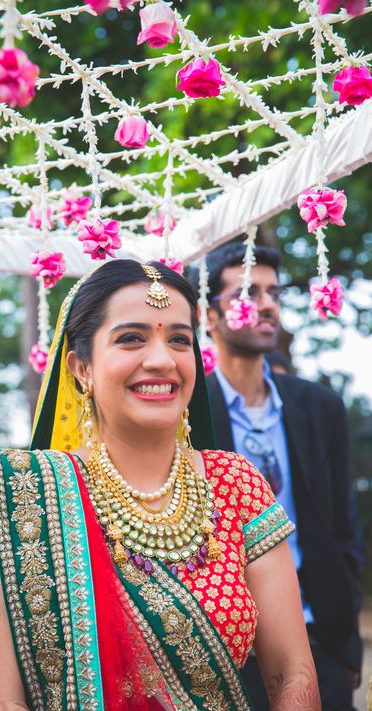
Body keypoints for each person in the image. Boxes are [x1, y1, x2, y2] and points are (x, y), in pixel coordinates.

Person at [0, 260, 320, 711]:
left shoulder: (236, 484)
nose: (161, 359)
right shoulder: (29, 501)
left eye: (179, 339)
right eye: (131, 338)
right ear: (81, 368)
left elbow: (293, 673)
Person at [201, 242, 364, 711]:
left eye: (273, 292)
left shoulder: (319, 407)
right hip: (231, 651)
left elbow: (342, 530)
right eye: (249, 292)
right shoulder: (190, 415)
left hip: (321, 642)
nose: (268, 303)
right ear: (209, 315)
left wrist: (343, 645)